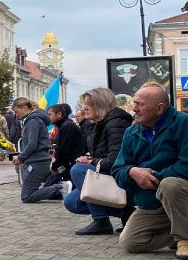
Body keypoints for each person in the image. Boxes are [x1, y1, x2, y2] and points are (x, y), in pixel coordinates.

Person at [113, 83, 188, 260]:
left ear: (159, 108)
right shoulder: (131, 132)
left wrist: (153, 177)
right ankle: (182, 226)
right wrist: (132, 172)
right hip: (153, 204)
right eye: (134, 103)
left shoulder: (185, 123)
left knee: (169, 184)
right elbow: (118, 169)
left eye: (140, 104)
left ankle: (186, 239)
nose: (134, 108)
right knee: (131, 242)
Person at [62, 88, 134, 235]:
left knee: (77, 170)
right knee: (71, 202)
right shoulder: (95, 124)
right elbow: (103, 154)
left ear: (101, 105)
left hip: (122, 175)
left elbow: (116, 159)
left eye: (89, 104)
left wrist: (92, 162)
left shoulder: (116, 123)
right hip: (106, 172)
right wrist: (89, 159)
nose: (84, 108)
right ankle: (128, 213)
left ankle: (101, 221)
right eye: (84, 104)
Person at [11, 97, 56, 203]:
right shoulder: (33, 120)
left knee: (27, 196)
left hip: (37, 161)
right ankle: (59, 190)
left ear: (25, 108)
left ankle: (60, 188)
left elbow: (32, 144)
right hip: (39, 160)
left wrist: (20, 157)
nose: (16, 115)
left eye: (17, 112)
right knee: (28, 192)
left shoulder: (33, 121)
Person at [44, 104, 85, 186]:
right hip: (66, 164)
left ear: (59, 114)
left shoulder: (68, 126)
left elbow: (64, 150)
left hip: (71, 165)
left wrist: (55, 167)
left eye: (50, 114)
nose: (48, 117)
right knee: (48, 184)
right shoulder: (63, 126)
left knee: (50, 188)